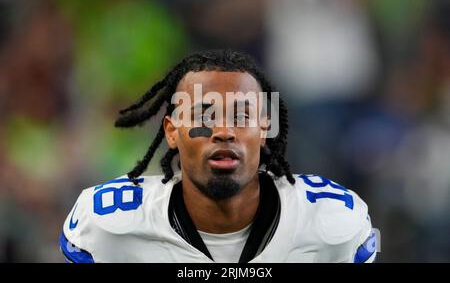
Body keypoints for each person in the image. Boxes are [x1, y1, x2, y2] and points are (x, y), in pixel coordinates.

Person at [60, 50, 377, 263]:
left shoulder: (331, 224)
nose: (224, 131)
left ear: (264, 129)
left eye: (241, 116)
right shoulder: (108, 227)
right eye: (203, 115)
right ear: (172, 131)